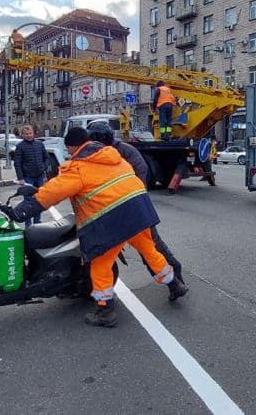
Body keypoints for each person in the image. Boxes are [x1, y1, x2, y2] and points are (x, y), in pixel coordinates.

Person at [12, 127, 188, 327]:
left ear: (73, 146)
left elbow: (50, 193)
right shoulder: (113, 157)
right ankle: (175, 285)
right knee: (150, 252)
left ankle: (105, 311)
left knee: (100, 265)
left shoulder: (78, 167)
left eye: (68, 148)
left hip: (113, 221)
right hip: (139, 213)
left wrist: (21, 212)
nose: (68, 152)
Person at [86, 122, 184, 283]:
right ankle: (173, 282)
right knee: (147, 248)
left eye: (92, 140)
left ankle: (175, 274)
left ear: (100, 138)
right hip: (122, 206)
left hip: (133, 206)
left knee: (151, 246)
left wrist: (126, 198)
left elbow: (140, 174)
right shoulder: (107, 152)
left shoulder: (123, 151)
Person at [13, 125, 48, 226]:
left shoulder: (40, 144)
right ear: (23, 135)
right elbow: (17, 163)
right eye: (26, 134)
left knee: (39, 200)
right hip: (27, 178)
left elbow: (46, 158)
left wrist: (43, 167)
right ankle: (28, 225)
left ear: (33, 133)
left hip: (39, 177)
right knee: (28, 202)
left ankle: (37, 223)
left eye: (30, 133)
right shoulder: (20, 146)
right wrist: (21, 178)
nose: (28, 135)